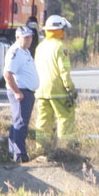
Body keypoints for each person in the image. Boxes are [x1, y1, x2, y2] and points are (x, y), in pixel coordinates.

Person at [32, 14, 78, 153]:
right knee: (65, 118)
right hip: (58, 90)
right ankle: (66, 149)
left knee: (44, 120)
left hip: (41, 90)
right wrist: (71, 89)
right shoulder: (60, 47)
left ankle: (41, 148)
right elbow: (64, 71)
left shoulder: (40, 47)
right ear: (59, 30)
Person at [3, 25, 39, 163]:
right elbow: (7, 74)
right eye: (25, 38)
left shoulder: (25, 51)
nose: (29, 40)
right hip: (21, 92)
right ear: (17, 37)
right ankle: (19, 155)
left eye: (30, 37)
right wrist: (17, 92)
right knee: (20, 123)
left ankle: (15, 153)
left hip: (27, 91)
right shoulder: (16, 52)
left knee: (20, 122)